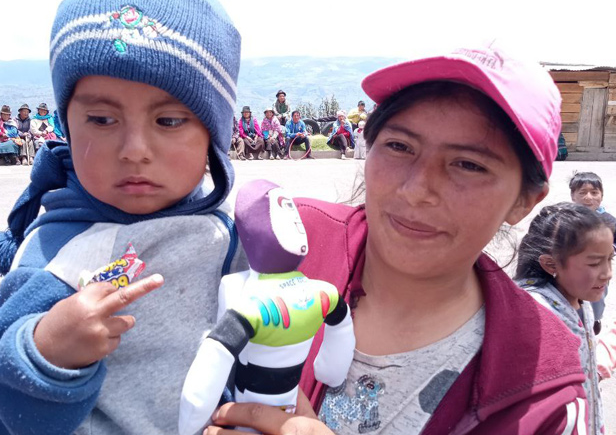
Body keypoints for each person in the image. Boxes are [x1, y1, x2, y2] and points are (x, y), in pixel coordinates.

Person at [205, 44, 590, 434]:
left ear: (524, 201)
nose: (416, 190)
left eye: (469, 165)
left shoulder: (544, 399)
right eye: (399, 146)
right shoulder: (288, 243)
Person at [0, 0, 247, 434]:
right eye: (102, 120)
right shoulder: (60, 251)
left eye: (169, 120)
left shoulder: (229, 232)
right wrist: (44, 354)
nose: (134, 150)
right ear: (66, 124)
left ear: (214, 135)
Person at [515, 202, 615, 434]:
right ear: (550, 264)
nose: (608, 273)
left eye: (610, 258)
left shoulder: (578, 299)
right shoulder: (534, 315)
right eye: (594, 263)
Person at [569, 171, 616, 335]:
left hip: (599, 273)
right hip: (572, 270)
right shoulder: (566, 219)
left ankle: (595, 320)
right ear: (573, 196)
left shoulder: (609, 221)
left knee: (597, 298)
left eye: (594, 192)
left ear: (601, 196)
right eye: (582, 192)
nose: (588, 198)